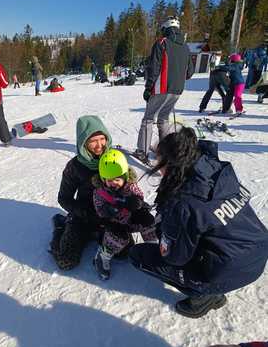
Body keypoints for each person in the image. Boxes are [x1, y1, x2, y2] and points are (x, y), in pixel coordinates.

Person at [129, 127, 268, 318]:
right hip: (258, 253)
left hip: (228, 270)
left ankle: (205, 295)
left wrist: (163, 227)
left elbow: (174, 257)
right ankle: (210, 283)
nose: (156, 166)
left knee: (138, 256)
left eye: (158, 161)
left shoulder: (181, 202)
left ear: (170, 165)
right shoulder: (214, 168)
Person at [49, 115, 112, 270]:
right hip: (83, 216)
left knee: (125, 252)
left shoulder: (114, 159)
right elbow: (64, 198)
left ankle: (97, 235)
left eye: (102, 139)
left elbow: (127, 186)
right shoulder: (74, 166)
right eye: (93, 141)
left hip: (109, 216)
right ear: (83, 142)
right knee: (66, 261)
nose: (99, 145)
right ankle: (60, 227)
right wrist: (83, 212)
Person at [134, 16, 194, 164]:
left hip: (161, 88)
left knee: (148, 119)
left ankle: (142, 151)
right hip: (177, 90)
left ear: (166, 28)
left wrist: (148, 88)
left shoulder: (162, 43)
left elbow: (154, 68)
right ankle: (165, 150)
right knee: (163, 119)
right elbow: (190, 72)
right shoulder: (186, 47)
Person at [92, 149, 157, 280]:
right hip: (114, 224)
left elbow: (139, 196)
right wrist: (110, 210)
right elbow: (99, 210)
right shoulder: (100, 192)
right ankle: (102, 256)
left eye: (117, 179)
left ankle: (153, 249)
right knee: (118, 236)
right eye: (108, 180)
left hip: (130, 219)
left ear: (124, 177)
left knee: (148, 221)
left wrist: (137, 202)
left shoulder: (130, 186)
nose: (113, 183)